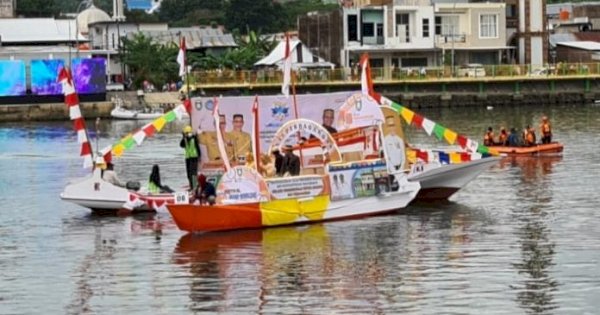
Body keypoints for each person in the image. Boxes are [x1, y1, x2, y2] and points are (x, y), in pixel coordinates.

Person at [180, 125, 201, 191]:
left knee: (193, 173)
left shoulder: (194, 138)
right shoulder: (185, 139)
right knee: (189, 174)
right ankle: (191, 187)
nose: (186, 134)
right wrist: (183, 137)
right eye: (185, 133)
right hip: (188, 158)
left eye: (187, 133)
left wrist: (199, 156)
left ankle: (195, 187)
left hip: (194, 157)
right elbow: (181, 145)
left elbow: (197, 147)